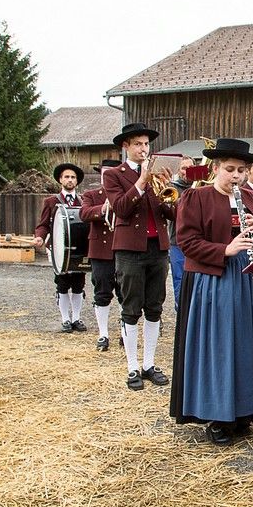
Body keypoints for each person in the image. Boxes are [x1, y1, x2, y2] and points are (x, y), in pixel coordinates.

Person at [170, 138, 253, 445]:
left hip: (250, 276)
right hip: (215, 279)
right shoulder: (196, 197)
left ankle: (246, 410)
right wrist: (224, 249)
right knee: (221, 346)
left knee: (248, 344)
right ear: (215, 168)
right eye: (230, 169)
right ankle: (218, 415)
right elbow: (187, 242)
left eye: (241, 170)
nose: (236, 176)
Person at [104, 122, 176, 391]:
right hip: (130, 250)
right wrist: (142, 182)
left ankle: (149, 364)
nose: (143, 149)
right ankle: (132, 366)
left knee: (155, 308)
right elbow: (121, 209)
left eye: (146, 144)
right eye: (137, 144)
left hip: (158, 248)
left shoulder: (156, 175)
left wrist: (169, 192)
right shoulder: (114, 175)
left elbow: (173, 214)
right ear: (126, 146)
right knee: (131, 309)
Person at [33, 162, 88, 333]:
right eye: (67, 177)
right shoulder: (51, 201)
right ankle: (65, 319)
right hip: (58, 249)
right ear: (60, 180)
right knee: (62, 285)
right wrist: (40, 237)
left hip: (80, 249)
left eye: (73, 177)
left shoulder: (84, 201)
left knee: (79, 284)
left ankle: (76, 318)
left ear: (77, 181)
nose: (70, 180)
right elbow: (43, 225)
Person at [79, 159, 123, 351]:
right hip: (100, 251)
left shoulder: (125, 195)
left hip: (122, 248)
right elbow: (84, 214)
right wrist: (104, 208)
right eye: (105, 173)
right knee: (102, 293)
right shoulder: (91, 195)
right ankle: (103, 334)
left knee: (125, 293)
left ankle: (125, 332)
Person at [167, 156, 194, 312]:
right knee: (180, 280)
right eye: (184, 168)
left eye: (190, 168)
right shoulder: (173, 187)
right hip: (177, 242)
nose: (187, 171)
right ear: (178, 170)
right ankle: (182, 313)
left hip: (198, 241)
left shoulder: (203, 186)